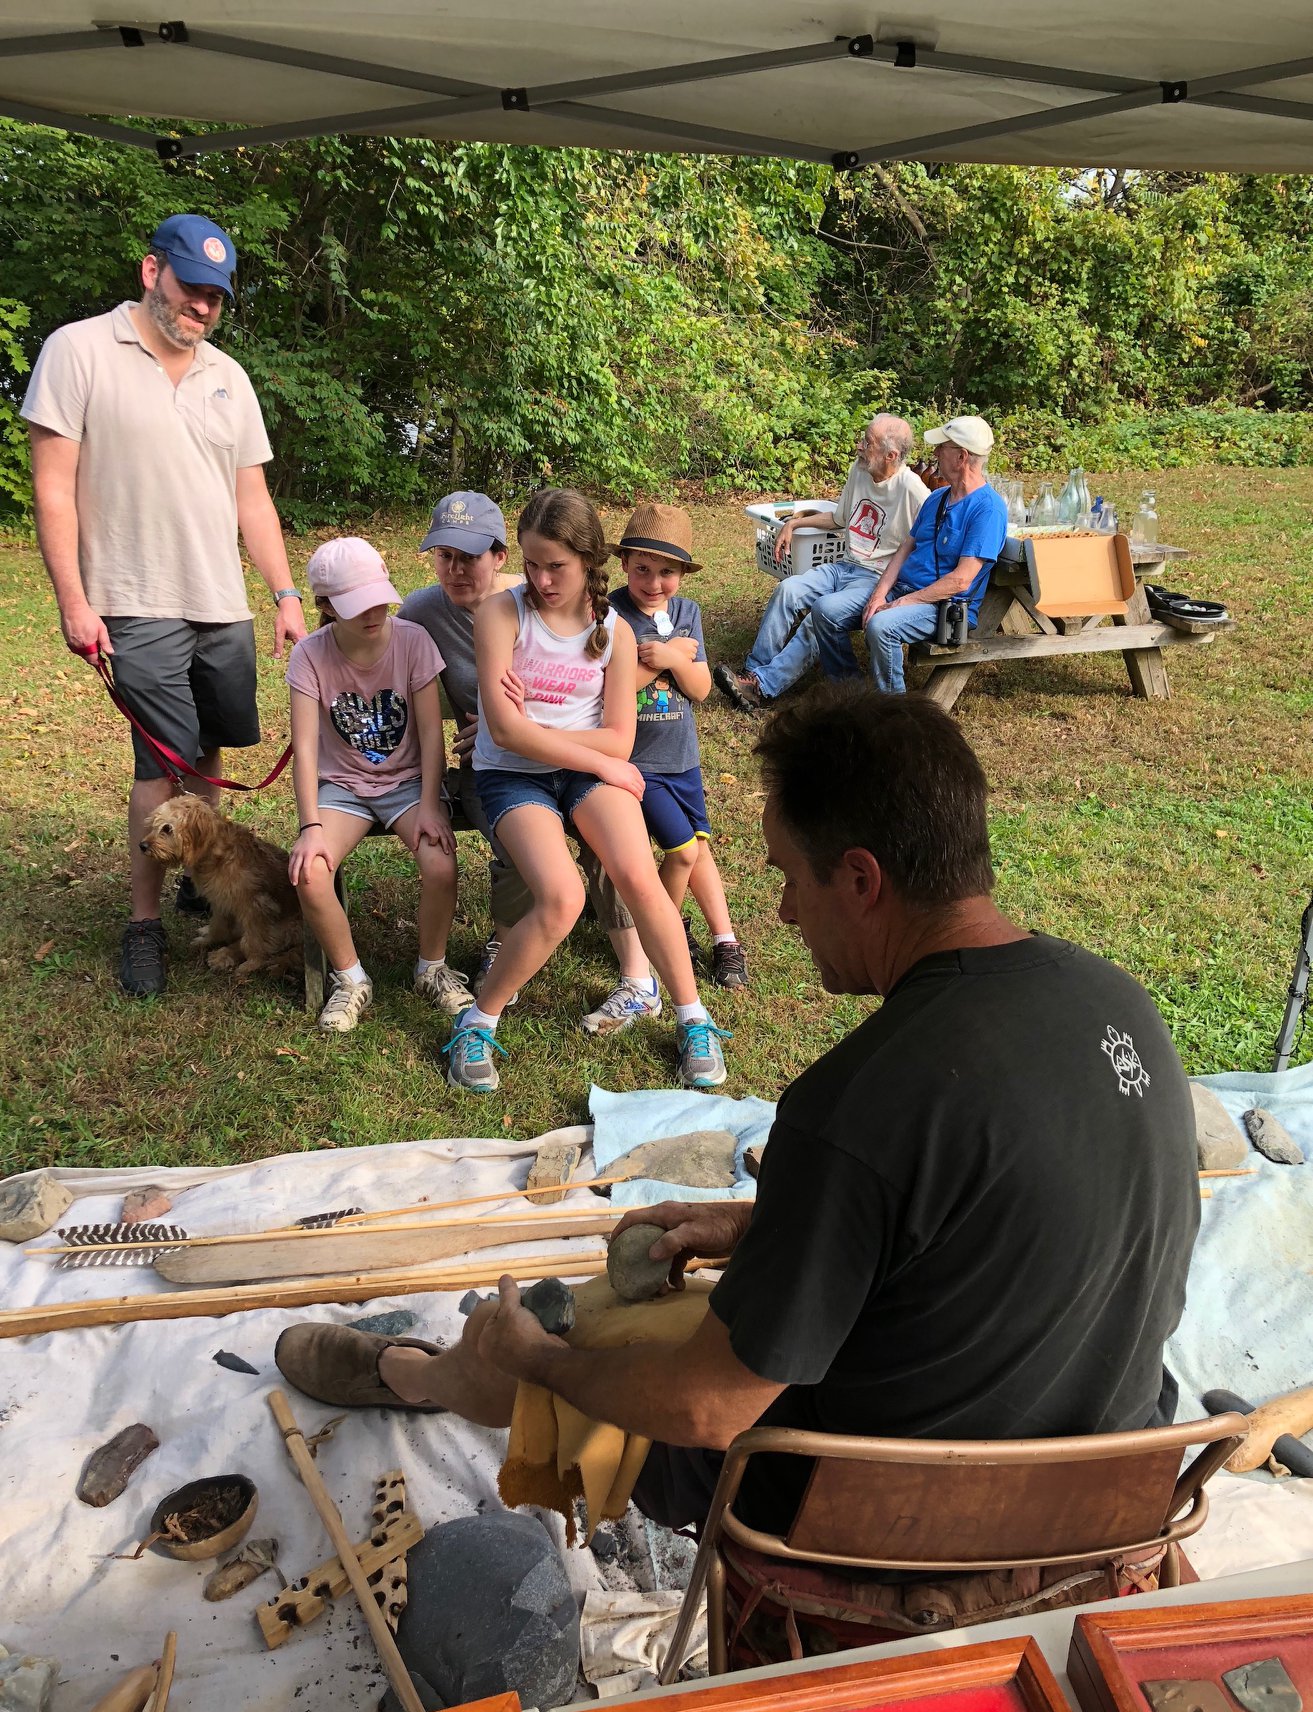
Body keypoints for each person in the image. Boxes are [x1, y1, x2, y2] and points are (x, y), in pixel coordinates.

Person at [275, 686, 1198, 1556]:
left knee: (562, 1346)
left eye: (791, 879)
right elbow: (983, 1216)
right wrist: (760, 1220)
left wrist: (544, 1364)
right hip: (1107, 1483)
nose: (787, 913)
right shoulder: (1120, 1005)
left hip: (883, 1517)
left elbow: (707, 1413)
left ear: (862, 879)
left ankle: (421, 1374)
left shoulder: (857, 1104)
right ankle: (438, 1370)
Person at [23, 213, 305, 997]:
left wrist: (283, 590)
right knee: (163, 761)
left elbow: (252, 496)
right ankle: (144, 925)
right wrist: (74, 600)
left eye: (216, 296)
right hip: (132, 597)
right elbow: (53, 485)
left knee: (209, 747)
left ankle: (194, 870)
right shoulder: (78, 350)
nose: (204, 308)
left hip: (220, 601)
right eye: (191, 289)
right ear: (152, 273)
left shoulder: (227, 376)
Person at [442, 487, 731, 1094]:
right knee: (563, 897)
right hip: (510, 775)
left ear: (589, 562)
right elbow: (503, 732)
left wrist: (541, 732)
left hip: (582, 769)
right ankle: (478, 1020)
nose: (542, 580)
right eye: (531, 563)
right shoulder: (501, 614)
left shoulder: (615, 631)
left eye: (557, 566)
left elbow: (620, 740)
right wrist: (559, 739)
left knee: (637, 873)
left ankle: (692, 1017)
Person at [398, 492, 650, 1034]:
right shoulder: (421, 612)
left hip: (572, 759)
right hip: (496, 770)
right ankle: (506, 940)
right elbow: (393, 680)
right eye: (443, 555)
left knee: (607, 828)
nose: (456, 569)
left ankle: (637, 972)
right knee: (529, 837)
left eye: (469, 555)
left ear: (497, 556)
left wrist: (526, 731)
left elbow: (597, 700)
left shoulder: (543, 595)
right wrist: (487, 726)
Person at [287, 537, 462, 1032]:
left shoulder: (411, 641)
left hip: (408, 784)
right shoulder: (308, 656)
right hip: (341, 787)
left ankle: (431, 967)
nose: (374, 612)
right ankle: (351, 979)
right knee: (310, 872)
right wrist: (311, 825)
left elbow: (431, 734)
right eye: (356, 604)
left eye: (379, 597)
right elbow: (304, 749)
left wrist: (431, 802)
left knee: (440, 862)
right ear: (324, 606)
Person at [609, 503, 749, 991]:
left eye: (667, 571)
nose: (653, 582)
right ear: (623, 562)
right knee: (684, 851)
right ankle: (661, 931)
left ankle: (725, 939)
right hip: (636, 764)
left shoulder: (688, 613)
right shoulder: (610, 614)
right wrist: (660, 663)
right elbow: (609, 691)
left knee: (700, 849)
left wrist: (672, 657)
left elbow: (702, 688)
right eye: (642, 568)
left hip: (682, 760)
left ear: (683, 574)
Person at [714, 414, 926, 712]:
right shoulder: (860, 470)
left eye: (868, 442)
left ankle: (762, 687)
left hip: (875, 579)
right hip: (844, 566)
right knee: (788, 590)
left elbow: (927, 541)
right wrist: (794, 524)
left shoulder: (913, 491)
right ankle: (752, 671)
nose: (859, 446)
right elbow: (841, 518)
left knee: (820, 616)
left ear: (891, 455)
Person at [810, 414, 1008, 695]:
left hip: (943, 607)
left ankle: (897, 714)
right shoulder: (937, 498)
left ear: (962, 457)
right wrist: (880, 594)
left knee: (882, 626)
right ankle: (851, 695)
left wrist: (903, 602)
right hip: (904, 591)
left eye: (942, 447)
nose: (935, 453)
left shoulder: (988, 510)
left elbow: (961, 581)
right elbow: (905, 548)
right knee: (825, 611)